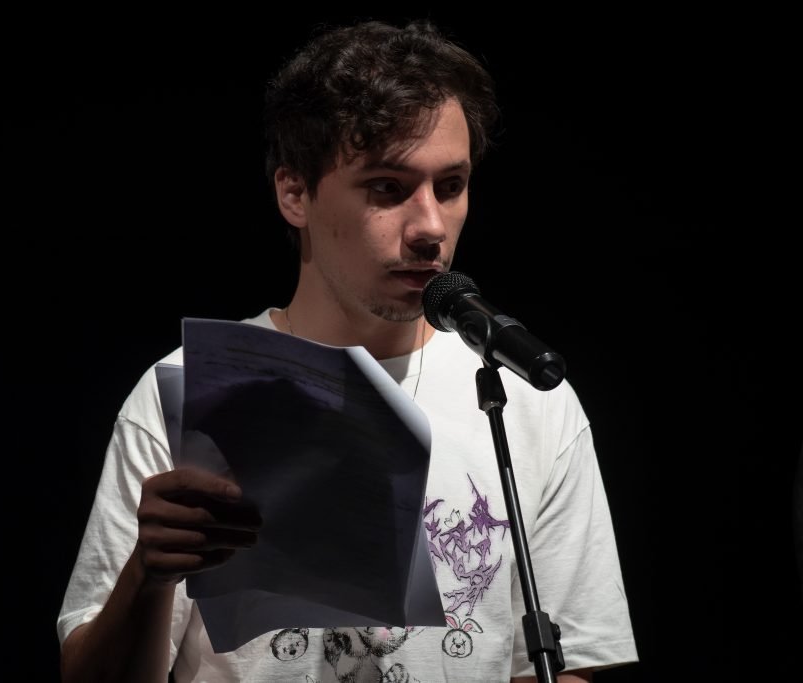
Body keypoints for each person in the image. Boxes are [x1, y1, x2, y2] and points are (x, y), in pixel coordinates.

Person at [57, 17, 638, 682]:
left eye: (450, 186)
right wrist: (149, 575)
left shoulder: (523, 396)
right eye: (388, 188)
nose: (429, 226)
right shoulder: (186, 389)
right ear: (294, 192)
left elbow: (569, 663)